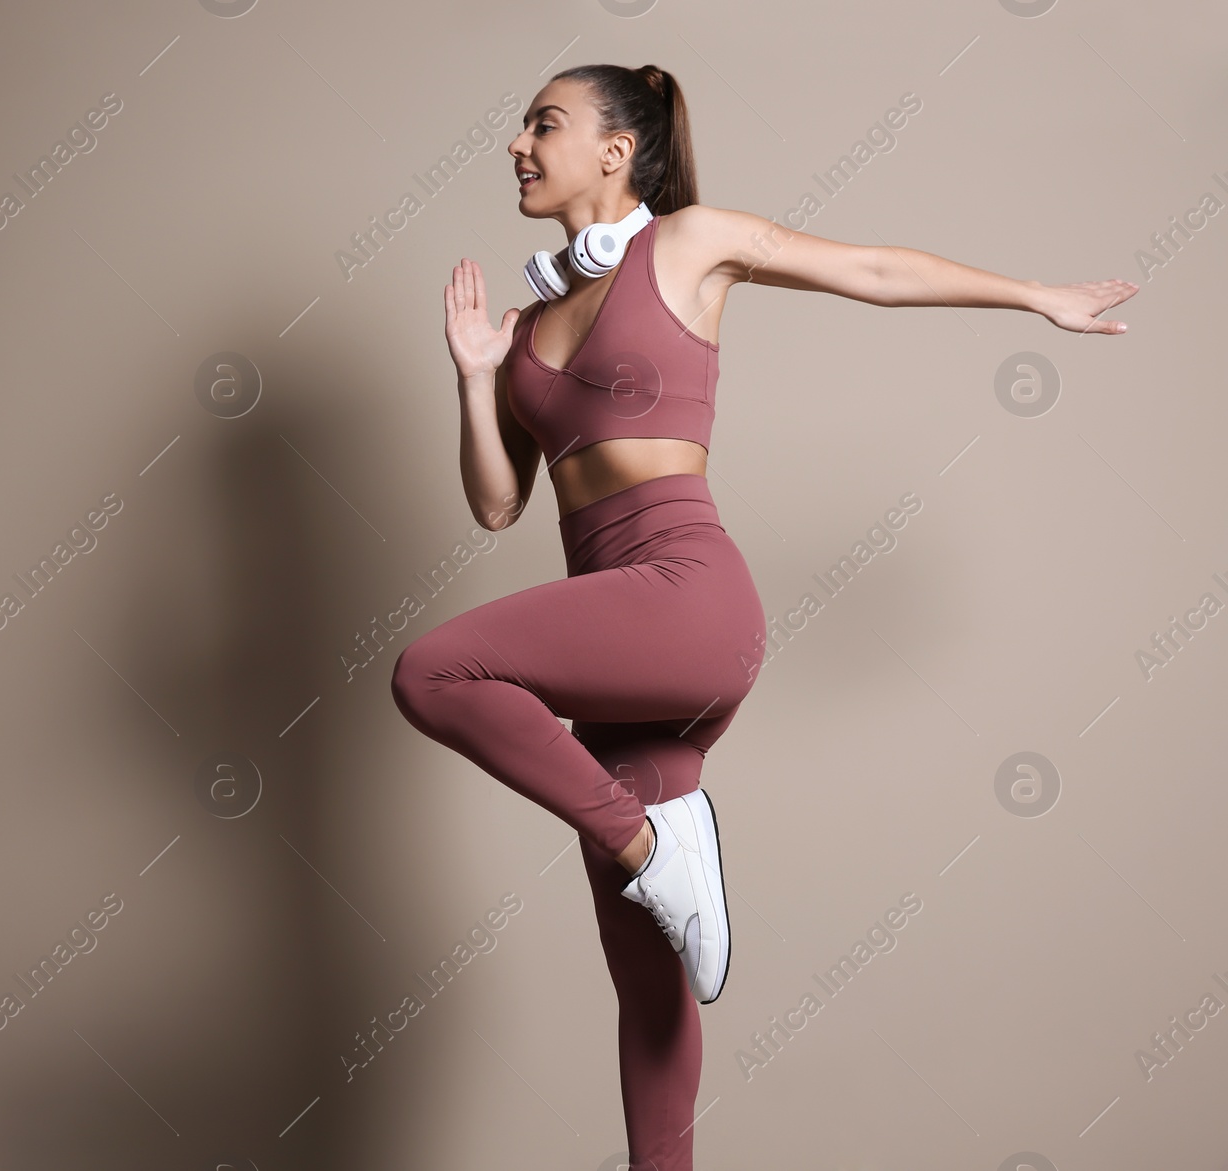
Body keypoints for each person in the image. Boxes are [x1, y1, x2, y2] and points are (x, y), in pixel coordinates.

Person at [389, 62, 1135, 1171]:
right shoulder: (534, 319)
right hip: (616, 670)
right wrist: (471, 378)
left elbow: (869, 268)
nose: (516, 143)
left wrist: (1033, 296)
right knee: (647, 986)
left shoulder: (685, 246)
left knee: (431, 673)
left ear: (615, 149)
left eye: (544, 123)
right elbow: (498, 505)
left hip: (686, 600)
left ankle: (651, 842)